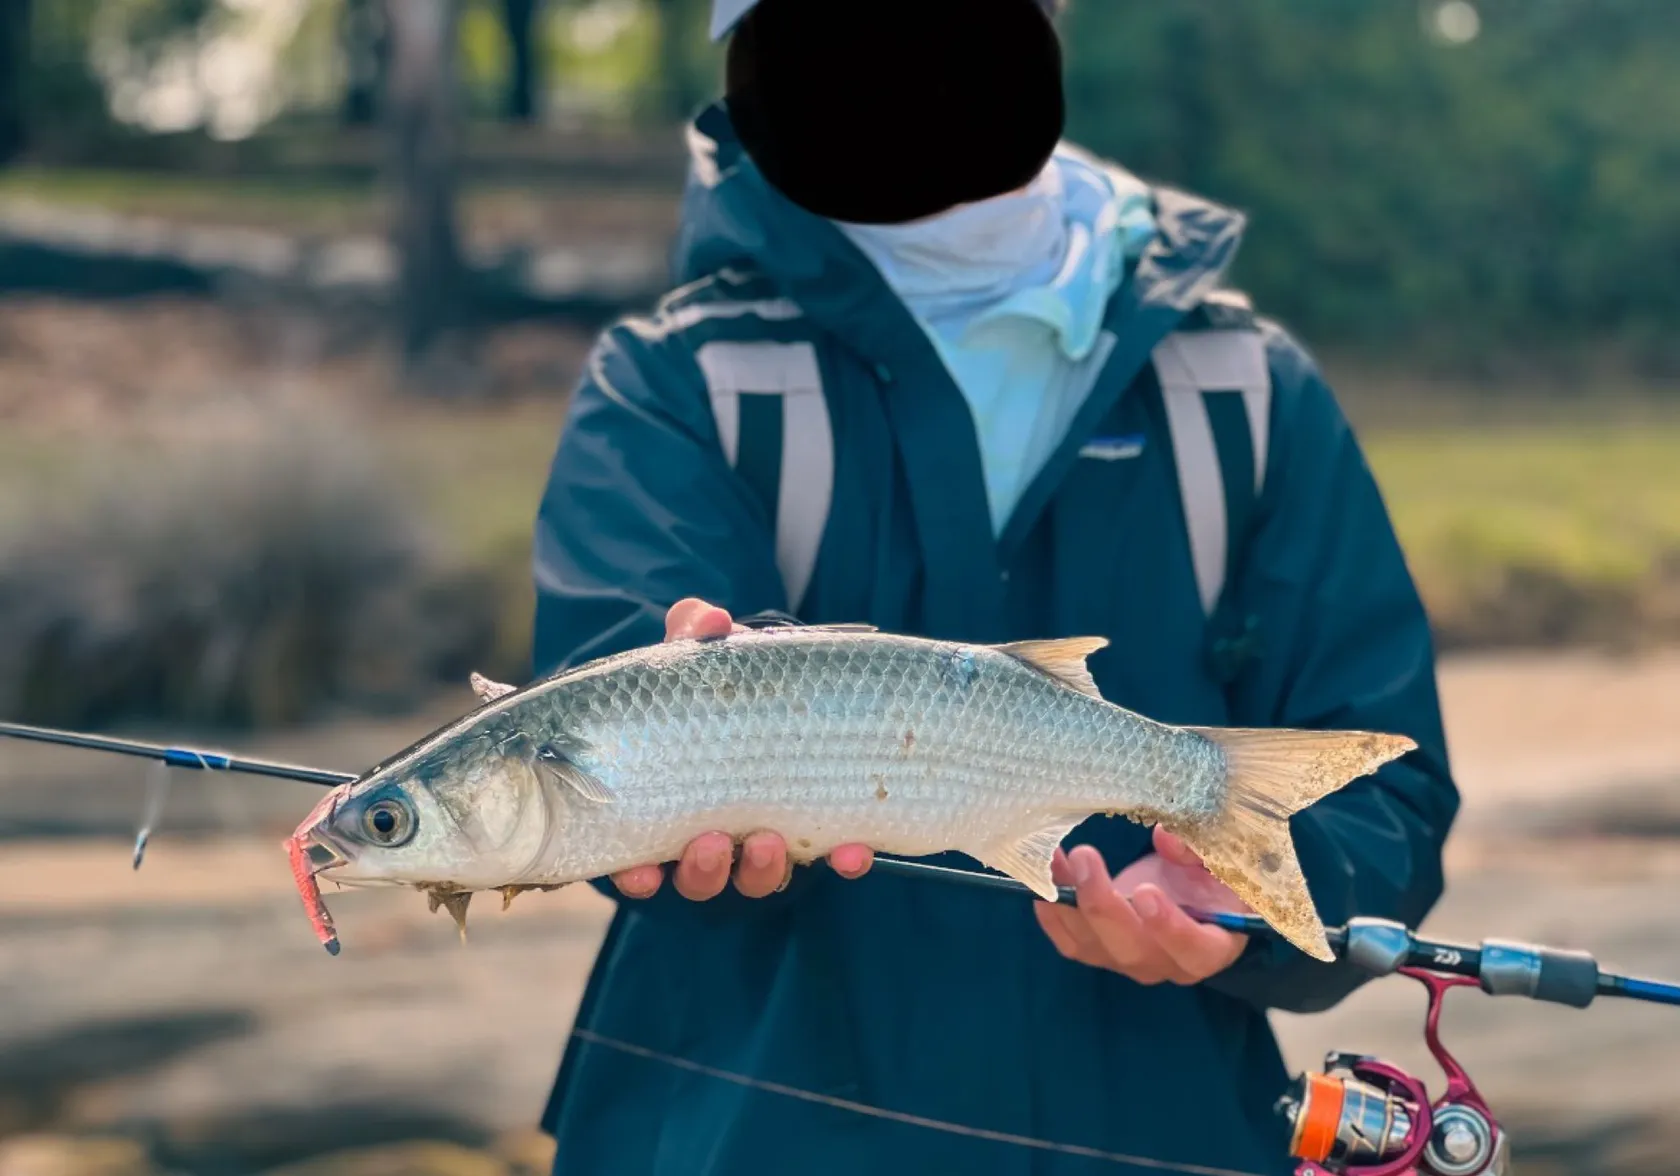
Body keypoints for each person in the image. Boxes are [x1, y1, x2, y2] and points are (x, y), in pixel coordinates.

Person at [529, 0, 1460, 1172]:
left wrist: (1237, 916)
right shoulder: (667, 383)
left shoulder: (1248, 392)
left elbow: (1388, 786)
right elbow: (593, 741)